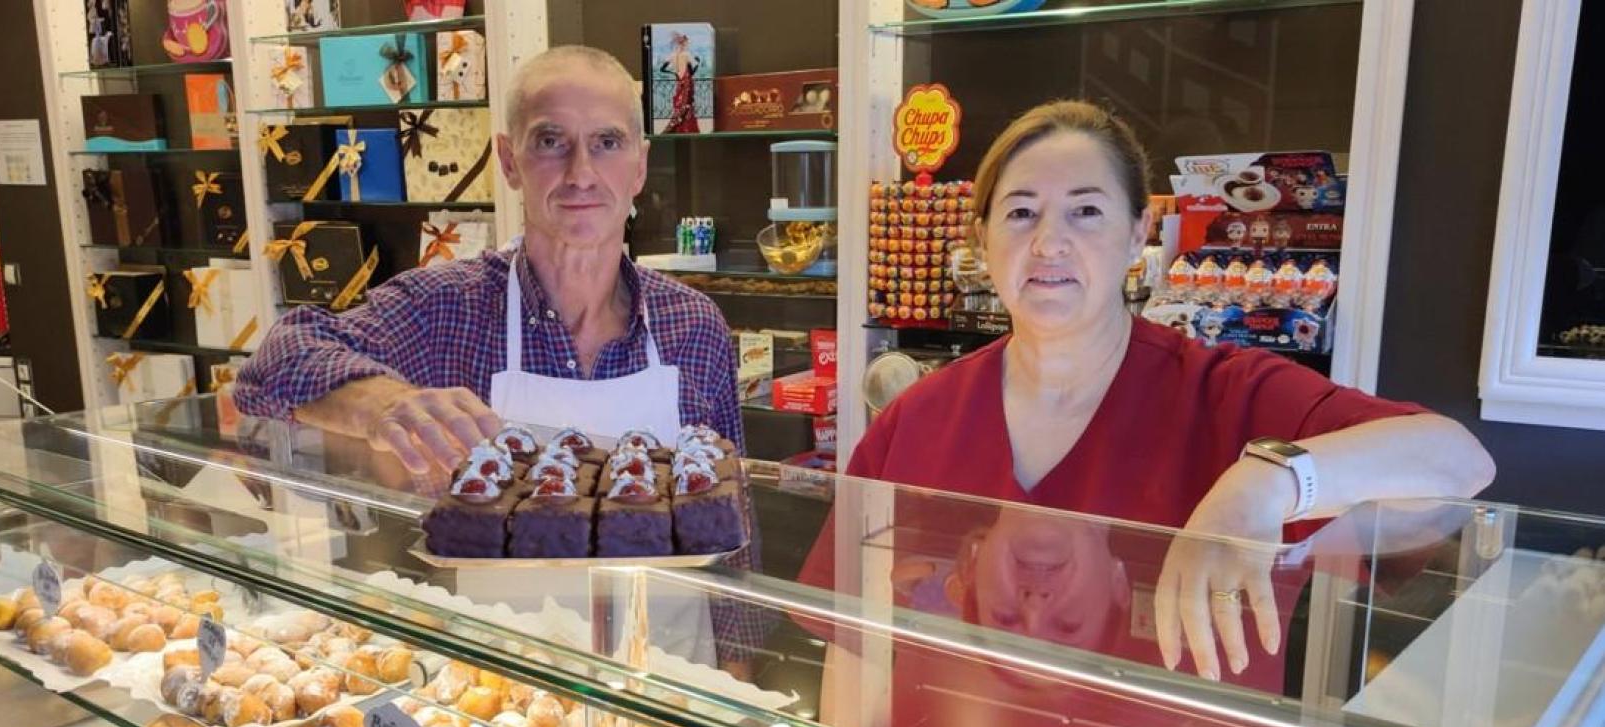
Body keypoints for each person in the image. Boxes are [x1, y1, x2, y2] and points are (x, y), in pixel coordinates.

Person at [839, 99, 1495, 680]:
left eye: (1086, 211)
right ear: (982, 239)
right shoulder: (918, 417)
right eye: (1020, 212)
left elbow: (1459, 461)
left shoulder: (1226, 393)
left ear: (1137, 236)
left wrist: (1270, 482)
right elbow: (852, 647)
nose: (1048, 243)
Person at [233, 45, 742, 478]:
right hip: (492, 600)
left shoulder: (693, 325)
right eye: (550, 142)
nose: (581, 173)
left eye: (607, 143)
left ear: (640, 166)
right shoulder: (443, 308)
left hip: (660, 599)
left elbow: (732, 511)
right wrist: (382, 405)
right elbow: (273, 364)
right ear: (508, 160)